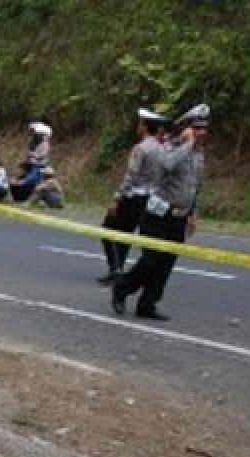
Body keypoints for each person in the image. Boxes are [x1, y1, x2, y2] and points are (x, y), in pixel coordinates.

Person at [112, 104, 210, 321]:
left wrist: (193, 213)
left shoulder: (198, 155)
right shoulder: (169, 147)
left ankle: (148, 303)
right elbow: (166, 165)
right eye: (197, 128)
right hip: (158, 215)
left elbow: (194, 185)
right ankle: (121, 289)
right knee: (151, 259)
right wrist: (188, 143)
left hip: (178, 217)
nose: (202, 133)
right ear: (186, 128)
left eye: (204, 128)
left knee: (166, 263)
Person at [98, 108, 167, 284]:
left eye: (140, 123)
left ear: (144, 127)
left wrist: (117, 197)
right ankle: (119, 269)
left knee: (108, 229)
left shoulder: (140, 148)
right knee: (127, 233)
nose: (138, 126)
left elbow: (131, 176)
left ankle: (116, 269)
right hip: (150, 197)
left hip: (133, 196)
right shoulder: (162, 149)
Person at [10, 121, 51, 201]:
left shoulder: (45, 144)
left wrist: (32, 155)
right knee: (20, 177)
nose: (33, 134)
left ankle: (28, 195)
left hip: (39, 165)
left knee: (31, 179)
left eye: (34, 132)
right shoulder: (35, 142)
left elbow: (42, 156)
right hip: (31, 164)